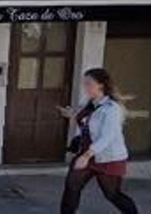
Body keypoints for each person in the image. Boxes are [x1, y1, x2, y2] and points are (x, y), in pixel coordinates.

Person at [58, 67, 139, 214]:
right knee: (71, 186)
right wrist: (72, 114)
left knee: (112, 195)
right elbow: (87, 122)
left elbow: (107, 137)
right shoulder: (91, 103)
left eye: (88, 84)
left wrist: (86, 156)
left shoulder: (112, 108)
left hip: (108, 158)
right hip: (87, 154)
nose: (85, 87)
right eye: (84, 84)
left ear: (101, 85)